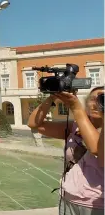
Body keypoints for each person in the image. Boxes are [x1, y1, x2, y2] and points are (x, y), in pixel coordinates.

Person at [28, 87, 104, 215]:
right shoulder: (74, 126)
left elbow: (96, 148)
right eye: (92, 99)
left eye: (102, 99)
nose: (97, 103)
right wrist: (53, 97)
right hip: (68, 198)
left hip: (97, 205)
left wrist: (76, 108)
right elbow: (35, 124)